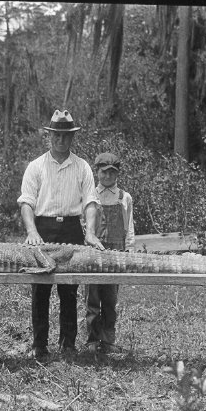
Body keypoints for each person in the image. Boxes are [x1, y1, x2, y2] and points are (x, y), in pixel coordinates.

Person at [17, 109, 103, 361]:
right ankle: (39, 345)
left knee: (69, 289)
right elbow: (26, 203)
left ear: (72, 138)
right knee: (40, 289)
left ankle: (68, 345)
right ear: (49, 135)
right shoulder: (35, 166)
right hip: (43, 230)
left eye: (66, 136)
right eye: (57, 135)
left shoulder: (82, 167)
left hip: (71, 229)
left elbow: (90, 202)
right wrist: (32, 231)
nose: (61, 140)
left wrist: (91, 233)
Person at [85, 152, 135, 354]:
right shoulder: (90, 196)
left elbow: (129, 226)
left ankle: (108, 340)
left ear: (117, 174)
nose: (108, 177)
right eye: (104, 172)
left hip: (116, 252)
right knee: (92, 297)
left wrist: (129, 249)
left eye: (112, 173)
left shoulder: (124, 198)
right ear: (97, 172)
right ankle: (92, 340)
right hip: (93, 252)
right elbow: (85, 225)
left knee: (110, 298)